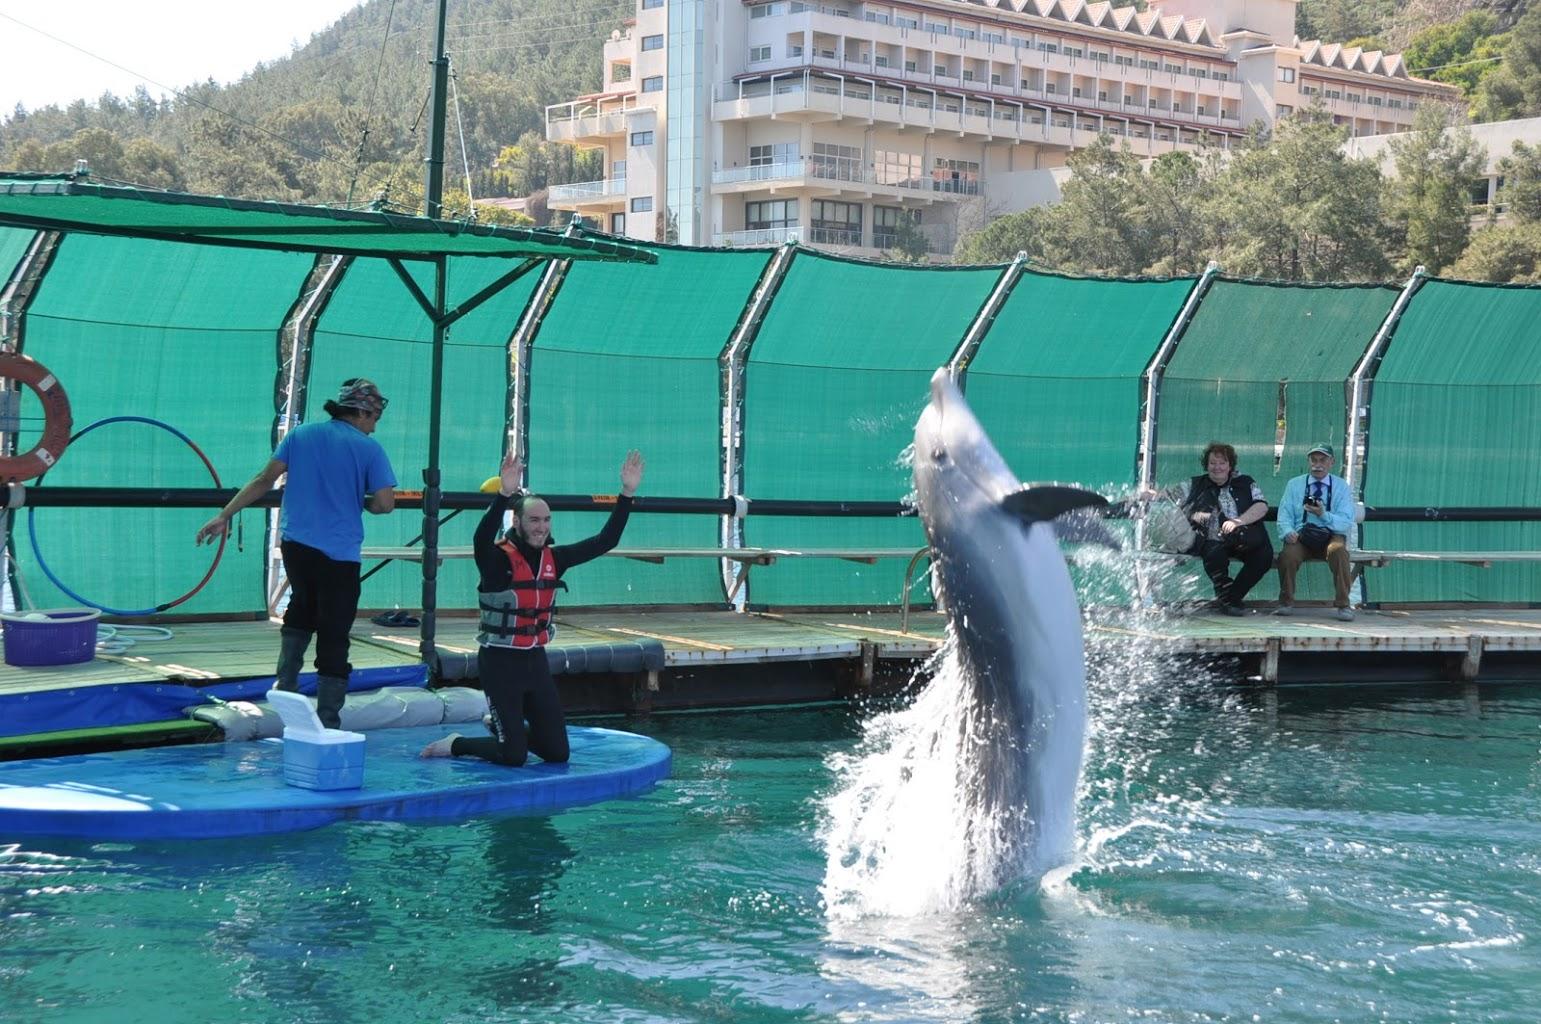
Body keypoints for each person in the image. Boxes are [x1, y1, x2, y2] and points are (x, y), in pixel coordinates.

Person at [195, 379, 396, 728]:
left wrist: (224, 515)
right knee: (334, 631)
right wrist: (361, 500)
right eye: (374, 418)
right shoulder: (369, 449)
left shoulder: (300, 435)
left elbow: (263, 479)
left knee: (301, 607)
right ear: (362, 412)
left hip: (296, 545)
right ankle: (328, 719)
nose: (375, 427)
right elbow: (384, 503)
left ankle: (285, 691)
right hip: (339, 551)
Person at [421, 449, 644, 764]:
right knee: (513, 755)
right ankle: (457, 743)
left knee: (557, 753)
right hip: (499, 663)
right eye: (534, 520)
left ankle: (503, 729)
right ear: (517, 521)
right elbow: (480, 539)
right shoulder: (497, 561)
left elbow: (605, 541)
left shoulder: (556, 559)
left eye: (547, 520)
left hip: (535, 661)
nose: (542, 527)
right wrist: (503, 494)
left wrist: (627, 493)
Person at [1178, 442, 1272, 616]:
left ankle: (1232, 597)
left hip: (1244, 535)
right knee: (1213, 553)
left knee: (1263, 556)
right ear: (1206, 465)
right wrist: (1152, 495)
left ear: (1230, 465)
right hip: (1213, 538)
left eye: (1222, 463)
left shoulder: (1246, 481)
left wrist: (1239, 521)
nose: (1217, 467)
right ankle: (1228, 598)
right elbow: (1169, 495)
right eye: (1212, 463)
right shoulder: (1195, 484)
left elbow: (1262, 506)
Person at [1275, 443, 1357, 621]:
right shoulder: (1294, 484)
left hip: (1331, 535)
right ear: (1308, 461)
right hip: (1301, 534)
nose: (1317, 465)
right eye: (1314, 460)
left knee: (1339, 552)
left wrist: (1323, 514)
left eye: (1322, 460)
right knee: (1288, 555)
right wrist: (1288, 531)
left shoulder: (1341, 486)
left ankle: (1343, 604)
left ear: (1332, 462)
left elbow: (1345, 522)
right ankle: (1285, 602)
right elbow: (1284, 514)